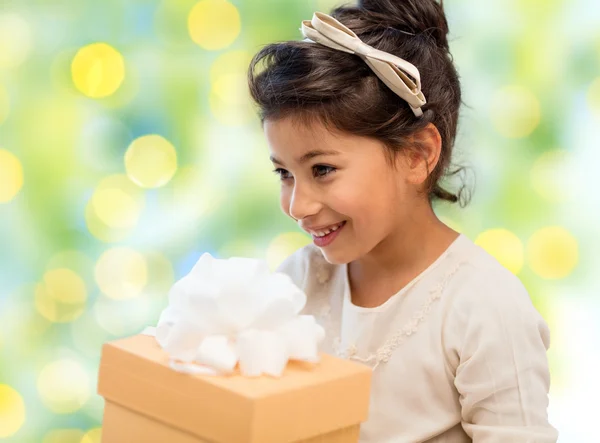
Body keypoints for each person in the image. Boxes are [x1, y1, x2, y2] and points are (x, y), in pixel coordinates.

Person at [247, 1, 558, 441]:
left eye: (322, 170)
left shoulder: (484, 309)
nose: (298, 206)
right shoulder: (297, 283)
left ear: (417, 155)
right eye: (284, 173)